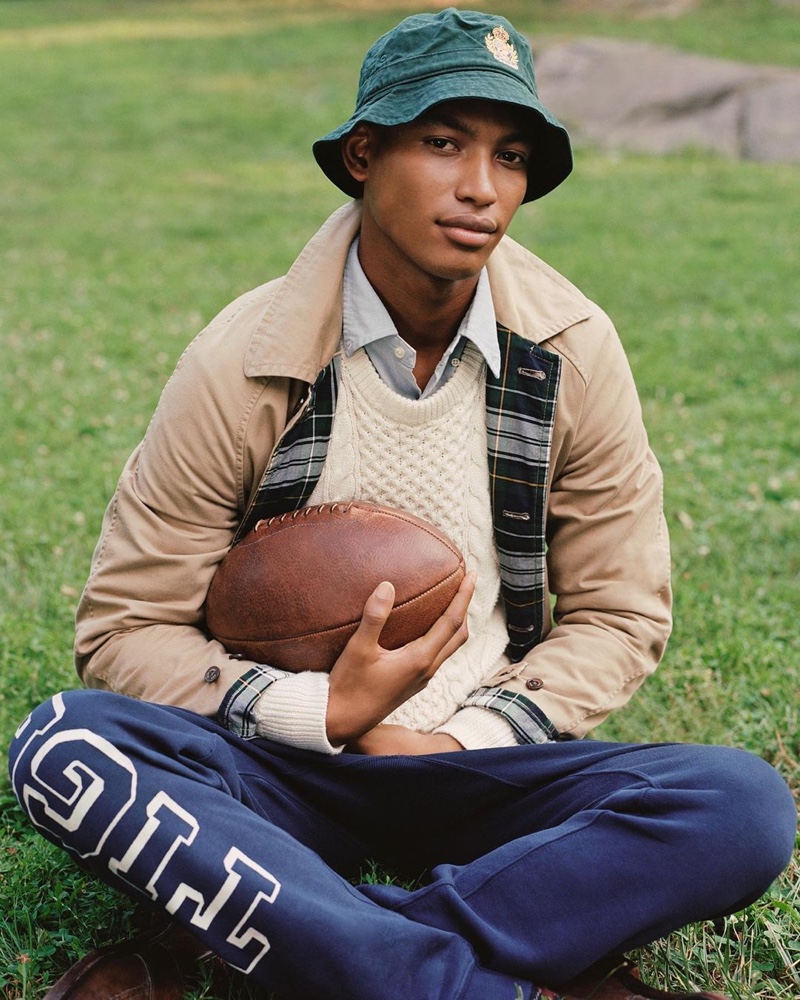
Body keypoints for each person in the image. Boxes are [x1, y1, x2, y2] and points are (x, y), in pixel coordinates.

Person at [9, 9, 795, 1000]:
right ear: (362, 155)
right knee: (63, 743)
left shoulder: (570, 350)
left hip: (482, 770)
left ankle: (304, 945)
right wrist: (319, 710)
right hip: (283, 769)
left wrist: (458, 736)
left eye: (509, 157)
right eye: (440, 143)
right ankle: (468, 974)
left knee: (738, 803)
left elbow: (619, 613)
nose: (480, 187)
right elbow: (126, 626)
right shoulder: (239, 358)